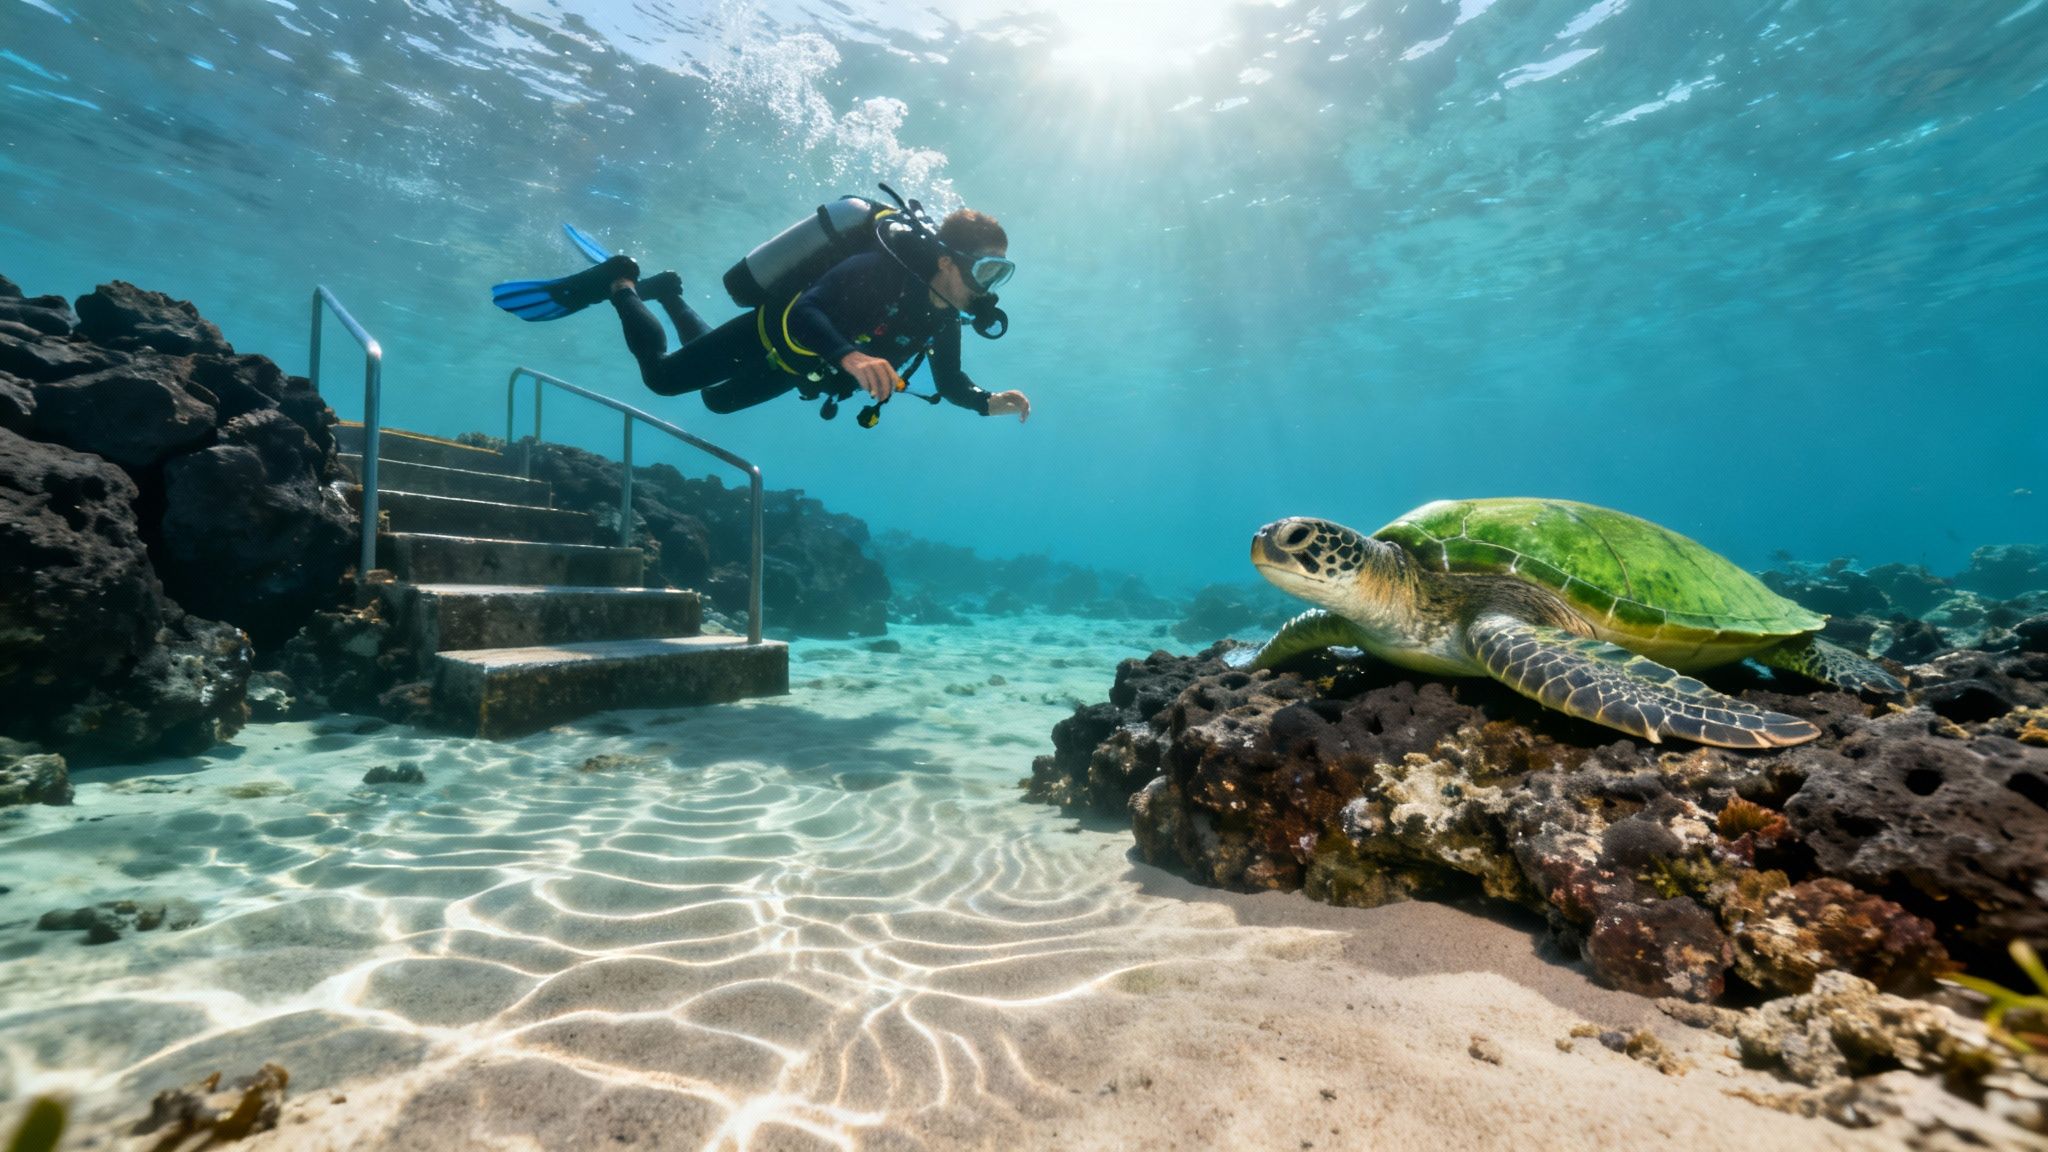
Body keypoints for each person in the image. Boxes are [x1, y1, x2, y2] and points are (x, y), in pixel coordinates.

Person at [510, 209, 1029, 424]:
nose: (988, 288)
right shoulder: (878, 268)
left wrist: (988, 402)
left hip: (796, 370)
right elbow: (806, 310)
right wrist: (849, 356)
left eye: (999, 275)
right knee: (665, 380)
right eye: (986, 271)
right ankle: (621, 281)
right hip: (770, 334)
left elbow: (951, 380)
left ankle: (668, 293)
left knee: (715, 400)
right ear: (946, 260)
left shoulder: (943, 316)